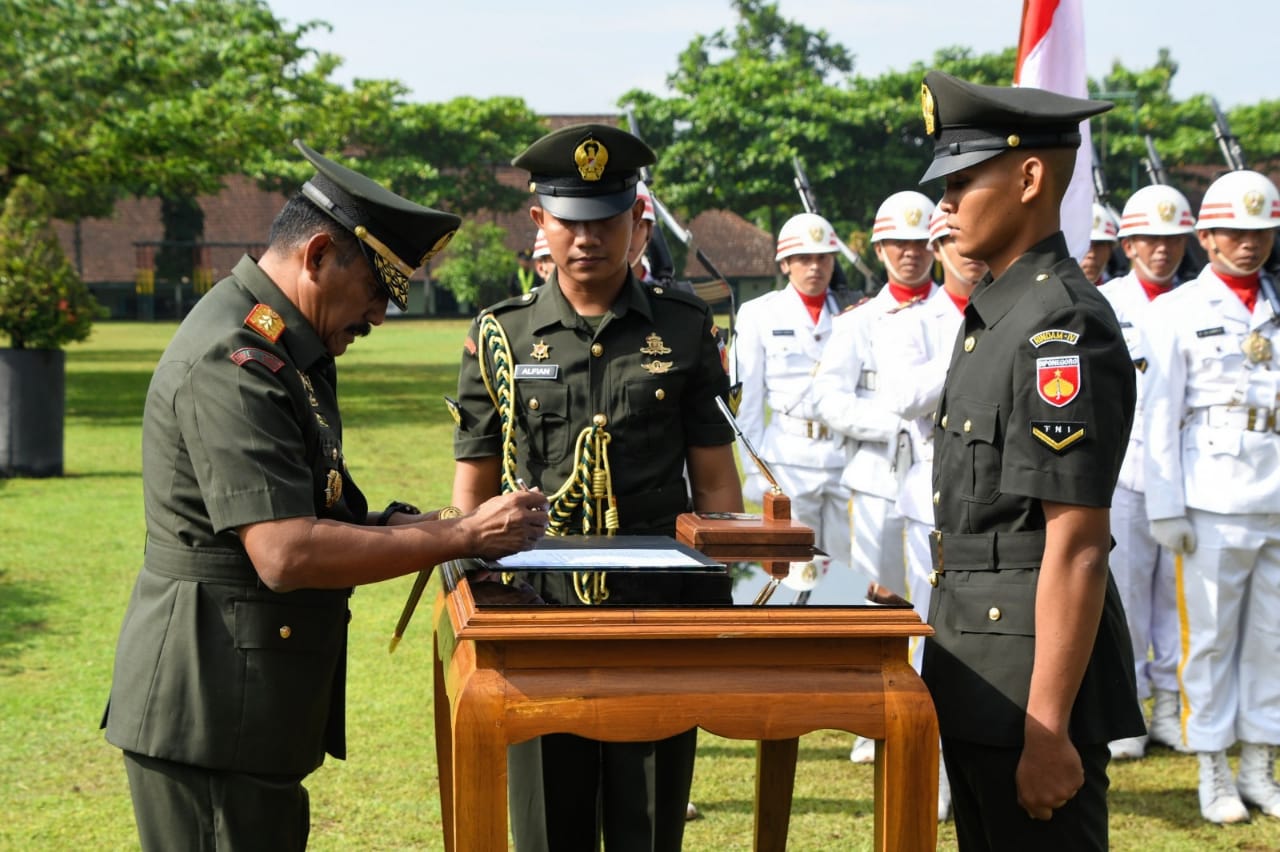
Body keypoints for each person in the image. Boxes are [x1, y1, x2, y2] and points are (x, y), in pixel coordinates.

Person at [101, 140, 550, 850]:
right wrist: (460, 535)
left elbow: (307, 511)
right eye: (376, 290)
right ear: (315, 256)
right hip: (212, 712)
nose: (378, 317)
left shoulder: (285, 344)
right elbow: (284, 550)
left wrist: (398, 526)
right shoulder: (235, 358)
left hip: (244, 705)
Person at [450, 122, 744, 852]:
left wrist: (716, 602)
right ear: (540, 223)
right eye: (572, 221)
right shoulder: (502, 336)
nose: (588, 238)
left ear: (638, 223)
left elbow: (715, 482)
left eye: (607, 219)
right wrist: (477, 598)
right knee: (550, 825)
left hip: (661, 620)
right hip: (536, 618)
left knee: (647, 823)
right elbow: (472, 492)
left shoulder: (683, 328)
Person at [917, 70, 1144, 851]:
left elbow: (1076, 543)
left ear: (1030, 176)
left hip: (1028, 689)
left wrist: (1048, 731)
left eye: (961, 181)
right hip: (974, 664)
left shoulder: (1060, 326)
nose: (943, 205)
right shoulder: (995, 313)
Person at [1142, 168, 1280, 823]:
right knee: (1212, 640)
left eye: (1259, 232)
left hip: (1275, 495)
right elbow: (1159, 415)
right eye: (1233, 231)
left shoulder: (1277, 302)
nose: (1248, 243)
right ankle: (1213, 768)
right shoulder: (1177, 310)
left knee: (1272, 640)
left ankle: (1260, 763)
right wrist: (1165, 505)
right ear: (1207, 236)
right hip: (1211, 499)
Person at [872, 203, 988, 820]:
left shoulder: (1015, 314)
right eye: (953, 244)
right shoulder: (910, 323)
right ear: (939, 251)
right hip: (935, 499)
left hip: (1002, 497)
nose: (967, 255)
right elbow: (902, 395)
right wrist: (974, 345)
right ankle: (937, 765)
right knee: (936, 636)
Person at [812, 190, 937, 762]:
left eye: (920, 244)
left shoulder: (956, 314)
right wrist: (891, 422)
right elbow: (829, 401)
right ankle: (873, 714)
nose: (909, 256)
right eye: (898, 246)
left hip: (938, 482)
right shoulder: (858, 322)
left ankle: (931, 707)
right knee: (877, 601)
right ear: (880, 249)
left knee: (934, 603)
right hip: (877, 477)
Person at [1096, 183, 1197, 760]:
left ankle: (1172, 707)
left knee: (1175, 596)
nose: (1161, 251)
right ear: (1127, 244)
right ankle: (1128, 709)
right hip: (1125, 465)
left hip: (1188, 469)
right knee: (1128, 591)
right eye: (1149, 241)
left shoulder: (1191, 303)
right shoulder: (1105, 302)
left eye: (1172, 240)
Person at [732, 212, 852, 598]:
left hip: (844, 458)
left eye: (823, 257)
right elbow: (748, 401)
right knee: (787, 569)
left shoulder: (855, 314)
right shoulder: (760, 314)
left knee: (843, 570)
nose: (815, 267)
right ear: (785, 263)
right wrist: (755, 472)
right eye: (804, 258)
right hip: (786, 459)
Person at [1080, 202, 1118, 286]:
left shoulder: (1121, 294)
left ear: (1110, 250)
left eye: (1099, 244)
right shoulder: (1051, 293)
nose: (1092, 254)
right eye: (1085, 244)